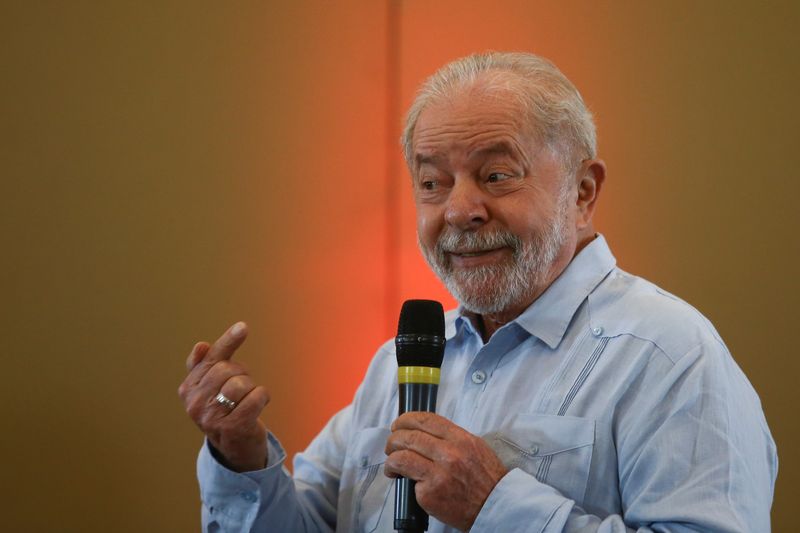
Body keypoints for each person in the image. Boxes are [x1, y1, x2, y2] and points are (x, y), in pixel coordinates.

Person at [178, 52, 777, 532]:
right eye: (433, 183)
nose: (460, 210)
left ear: (583, 192)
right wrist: (243, 458)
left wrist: (495, 507)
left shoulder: (668, 354)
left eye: (495, 175)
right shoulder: (398, 364)